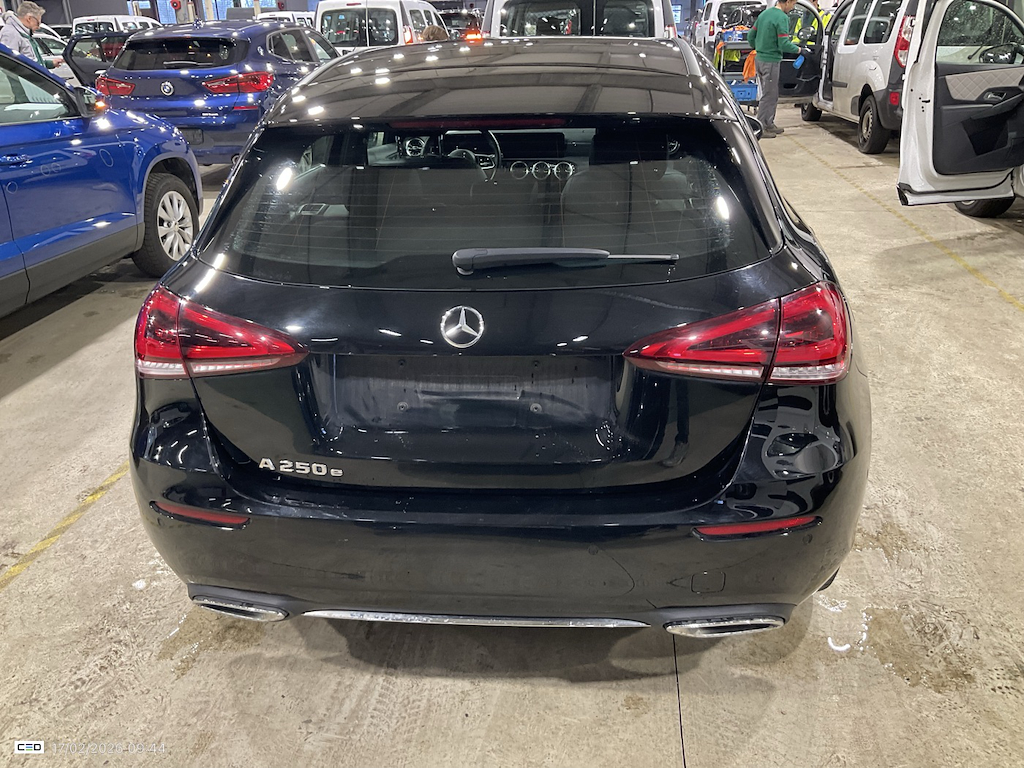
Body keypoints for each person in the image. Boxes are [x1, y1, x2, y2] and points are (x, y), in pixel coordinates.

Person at [750, 0, 806, 137]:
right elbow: (784, 44)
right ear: (787, 2)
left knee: (772, 93)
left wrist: (759, 47)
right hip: (770, 61)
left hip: (760, 59)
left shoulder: (764, 14)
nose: (792, 7)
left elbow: (751, 36)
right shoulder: (782, 17)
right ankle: (761, 128)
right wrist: (800, 50)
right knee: (768, 95)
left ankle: (769, 123)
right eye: (793, 4)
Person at [0, 2, 60, 70]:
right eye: (38, 23)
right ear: (29, 18)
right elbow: (8, 64)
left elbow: (31, 61)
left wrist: (50, 63)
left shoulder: (22, 33)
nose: (39, 27)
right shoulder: (10, 33)